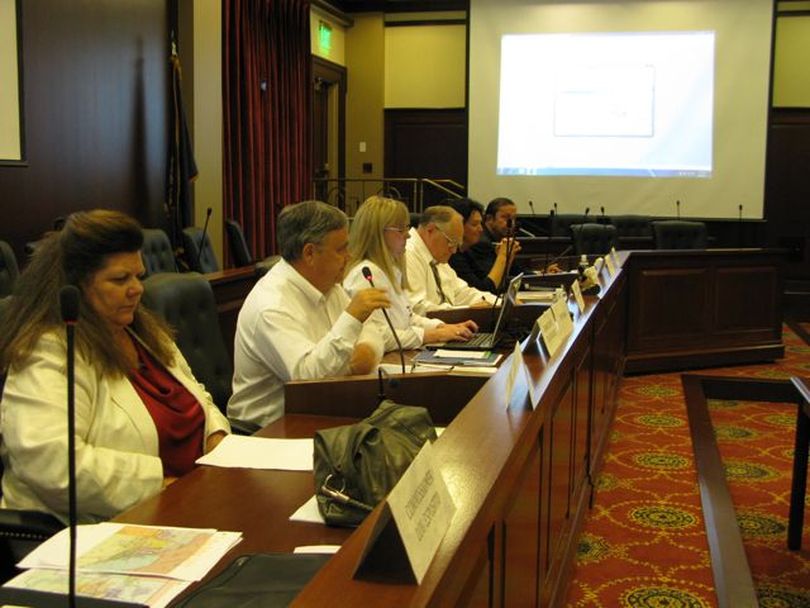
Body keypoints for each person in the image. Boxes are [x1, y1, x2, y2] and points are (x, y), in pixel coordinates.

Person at [0, 210, 230, 524]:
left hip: (190, 502)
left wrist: (215, 436)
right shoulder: (50, 349)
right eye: (120, 279)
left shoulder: (142, 330)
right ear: (77, 285)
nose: (137, 288)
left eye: (139, 276)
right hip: (96, 528)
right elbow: (52, 463)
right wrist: (163, 485)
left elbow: (196, 394)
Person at [227, 200, 388, 428]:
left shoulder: (329, 284)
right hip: (269, 431)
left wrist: (366, 350)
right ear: (310, 253)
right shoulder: (271, 305)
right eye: (341, 249)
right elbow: (308, 380)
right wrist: (352, 320)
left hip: (323, 409)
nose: (349, 256)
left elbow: (373, 331)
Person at [343, 196, 477, 350]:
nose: (408, 235)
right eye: (401, 229)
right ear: (378, 233)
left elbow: (408, 318)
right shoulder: (366, 275)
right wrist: (433, 335)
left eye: (407, 227)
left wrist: (443, 327)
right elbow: (378, 336)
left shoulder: (390, 269)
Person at [404, 205, 497, 315]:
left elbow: (461, 292)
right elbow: (417, 308)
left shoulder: (436, 257)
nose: (453, 251)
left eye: (457, 245)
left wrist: (498, 303)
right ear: (430, 230)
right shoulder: (407, 254)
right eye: (451, 242)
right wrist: (468, 309)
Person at [448, 198, 520, 294]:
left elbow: (495, 284)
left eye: (480, 224)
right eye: (474, 224)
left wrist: (507, 258)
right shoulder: (452, 257)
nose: (481, 229)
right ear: (458, 226)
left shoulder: (466, 252)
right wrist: (502, 257)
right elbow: (484, 291)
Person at [467, 197, 523, 290]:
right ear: (489, 219)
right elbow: (492, 284)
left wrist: (542, 274)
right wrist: (504, 257)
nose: (511, 223)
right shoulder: (481, 242)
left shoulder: (503, 240)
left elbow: (516, 271)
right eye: (505, 217)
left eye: (513, 218)